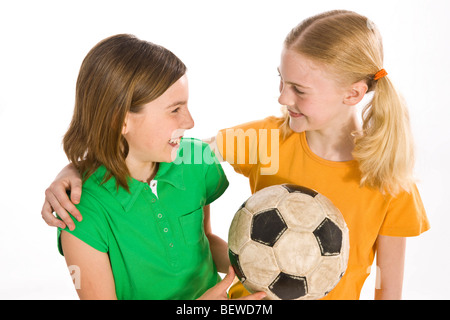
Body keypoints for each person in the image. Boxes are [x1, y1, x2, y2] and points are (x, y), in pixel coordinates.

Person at [43, 11, 430, 300]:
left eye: (299, 88)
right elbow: (156, 149)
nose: (282, 97)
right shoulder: (265, 143)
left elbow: (388, 289)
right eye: (280, 80)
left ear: (353, 94)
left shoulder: (389, 179)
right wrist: (73, 170)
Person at [46, 33, 265, 300]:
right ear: (120, 121)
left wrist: (264, 268)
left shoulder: (196, 160)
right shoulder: (81, 213)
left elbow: (204, 240)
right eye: (175, 110)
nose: (190, 121)